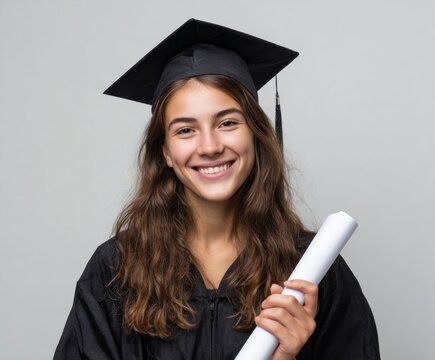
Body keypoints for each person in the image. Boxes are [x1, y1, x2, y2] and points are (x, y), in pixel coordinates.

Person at [54, 19, 380, 360]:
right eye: (185, 130)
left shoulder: (312, 272)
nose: (209, 146)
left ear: (255, 134)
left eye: (227, 123)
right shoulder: (116, 270)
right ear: (164, 151)